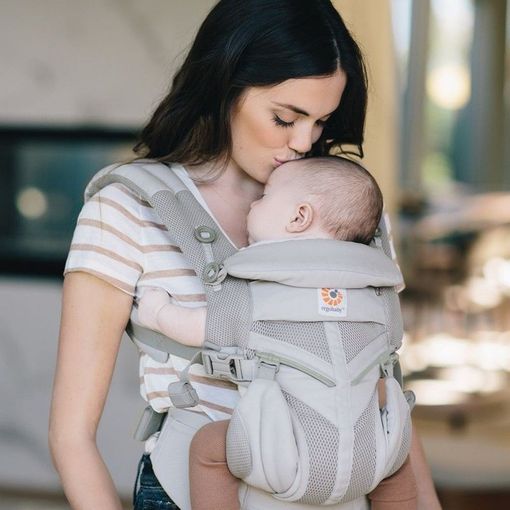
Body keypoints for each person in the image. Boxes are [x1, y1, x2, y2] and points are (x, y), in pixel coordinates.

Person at [48, 1, 441, 509]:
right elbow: (71, 436)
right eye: (285, 117)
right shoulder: (126, 210)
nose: (303, 142)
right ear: (225, 86)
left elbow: (383, 395)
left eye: (321, 122)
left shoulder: (346, 214)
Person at [137, 155, 419, 510]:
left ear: (299, 217)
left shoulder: (262, 293)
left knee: (207, 447)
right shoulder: (373, 298)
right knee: (398, 463)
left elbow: (204, 327)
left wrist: (159, 312)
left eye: (265, 196)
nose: (254, 203)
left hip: (282, 457)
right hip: (366, 459)